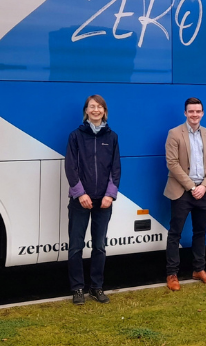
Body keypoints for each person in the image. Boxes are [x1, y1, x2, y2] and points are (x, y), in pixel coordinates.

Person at [65, 95, 121, 305]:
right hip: (80, 200)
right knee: (76, 246)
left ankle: (96, 287)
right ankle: (77, 288)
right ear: (86, 111)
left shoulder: (112, 137)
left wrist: (109, 195)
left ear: (104, 111)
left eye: (99, 107)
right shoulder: (75, 136)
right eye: (92, 107)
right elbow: (71, 168)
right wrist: (80, 194)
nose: (95, 110)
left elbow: (116, 169)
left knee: (99, 246)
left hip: (103, 202)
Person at [163, 97, 206, 291]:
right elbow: (172, 163)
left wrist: (203, 186)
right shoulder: (174, 133)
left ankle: (199, 270)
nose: (194, 115)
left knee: (200, 232)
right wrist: (191, 187)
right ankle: (172, 274)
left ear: (202, 113)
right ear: (185, 113)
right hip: (182, 192)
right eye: (191, 111)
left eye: (198, 111)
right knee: (175, 233)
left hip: (204, 191)